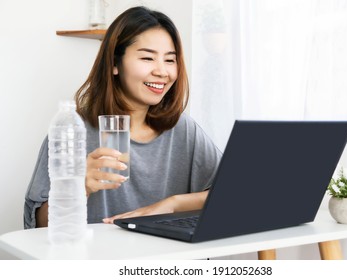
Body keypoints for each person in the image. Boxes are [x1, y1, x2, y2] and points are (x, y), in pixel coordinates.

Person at [24, 6, 222, 229]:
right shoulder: (74, 130)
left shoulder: (182, 128)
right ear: (114, 64)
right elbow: (39, 226)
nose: (162, 71)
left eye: (169, 60)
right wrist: (79, 187)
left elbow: (234, 193)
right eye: (147, 58)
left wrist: (173, 204)